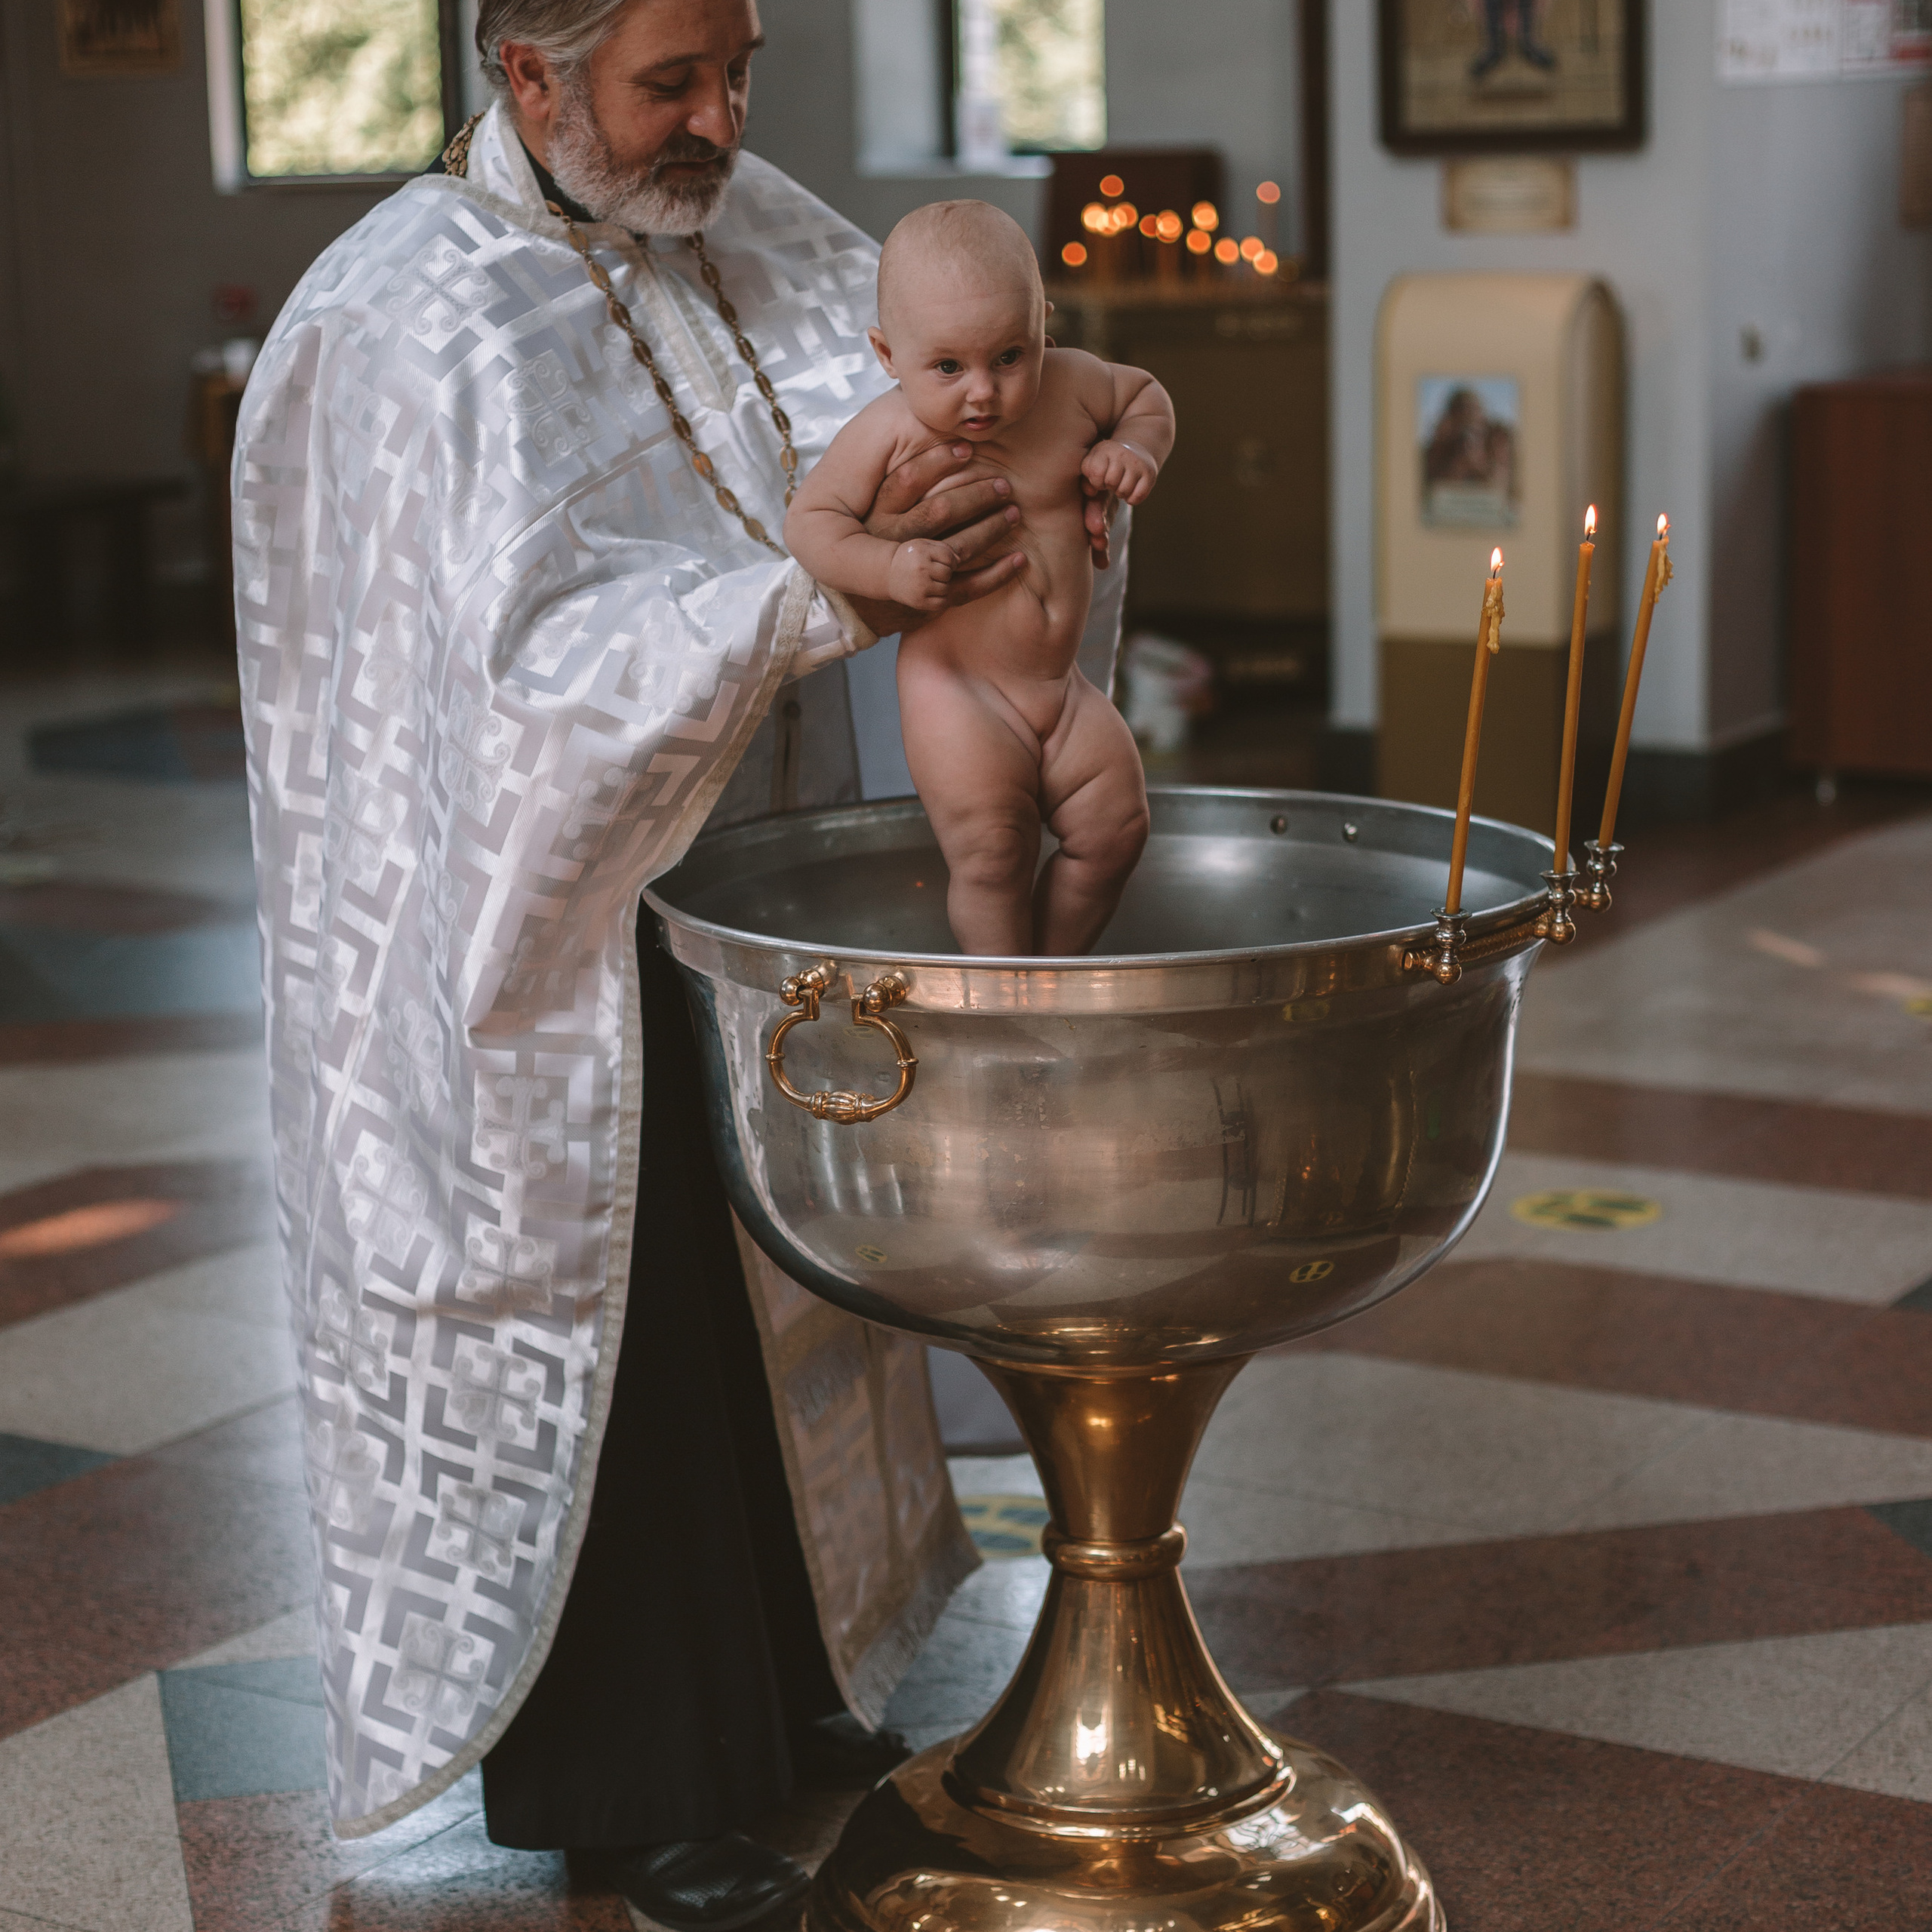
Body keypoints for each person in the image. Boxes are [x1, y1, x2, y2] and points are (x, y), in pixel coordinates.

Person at [233, 0, 1128, 1924]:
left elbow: (918, 403)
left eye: (740, 69)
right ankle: (633, 1785)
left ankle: (788, 1686)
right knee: (613, 1331)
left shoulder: (742, 218)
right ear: (528, 74)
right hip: (532, 936)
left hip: (728, 880)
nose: (719, 119)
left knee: (764, 1290)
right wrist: (807, 592)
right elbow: (504, 685)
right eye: (671, 84)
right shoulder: (407, 315)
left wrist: (1007, 490)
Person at [787, 203, 1171, 956]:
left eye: (1008, 356)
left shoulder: (1074, 387)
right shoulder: (890, 430)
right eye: (946, 367)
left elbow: (1145, 394)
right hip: (956, 690)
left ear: (1043, 329)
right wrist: (889, 566)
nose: (982, 393)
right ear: (887, 354)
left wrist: (1137, 450)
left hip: (1060, 687)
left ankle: (1047, 980)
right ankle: (1005, 1000)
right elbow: (812, 523)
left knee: (1118, 830)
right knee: (995, 854)